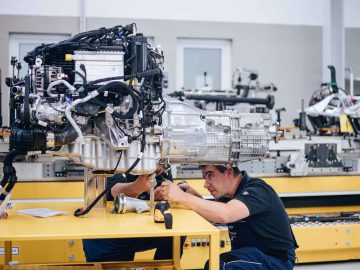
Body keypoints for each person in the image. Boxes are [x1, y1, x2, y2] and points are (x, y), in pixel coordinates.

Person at [156, 165, 298, 270]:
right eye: (205, 177)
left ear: (229, 171)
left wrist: (182, 196)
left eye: (210, 175)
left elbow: (225, 214)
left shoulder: (256, 190)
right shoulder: (230, 195)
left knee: (219, 266)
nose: (206, 184)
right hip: (252, 255)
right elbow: (213, 215)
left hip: (275, 261)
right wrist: (192, 196)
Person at [82, 167, 184, 262]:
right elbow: (105, 190)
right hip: (107, 235)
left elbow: (166, 188)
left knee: (176, 236)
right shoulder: (115, 155)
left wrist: (162, 194)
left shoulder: (159, 161)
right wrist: (137, 187)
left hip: (140, 228)